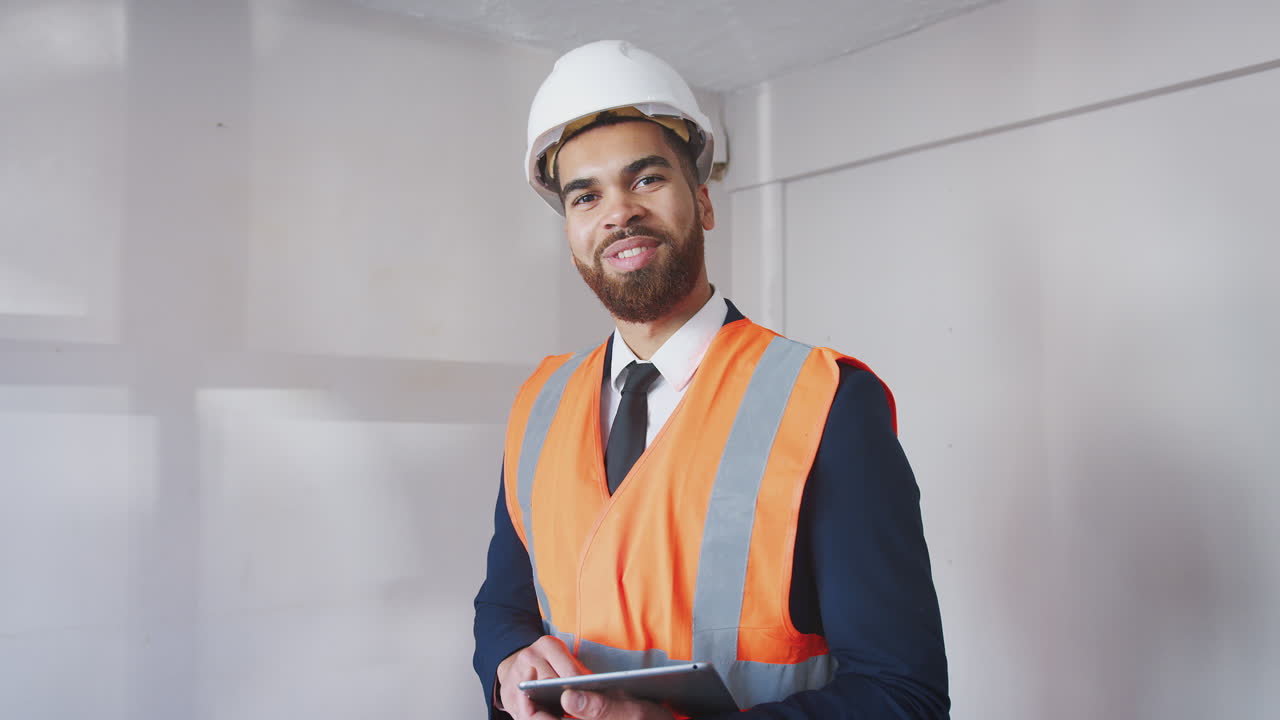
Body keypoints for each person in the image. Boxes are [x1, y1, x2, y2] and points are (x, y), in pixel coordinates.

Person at [473, 40, 948, 720]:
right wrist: (507, 658)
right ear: (573, 232)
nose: (618, 212)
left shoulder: (826, 403)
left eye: (646, 180)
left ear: (703, 202)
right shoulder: (539, 403)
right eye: (586, 195)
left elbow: (903, 697)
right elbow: (505, 605)